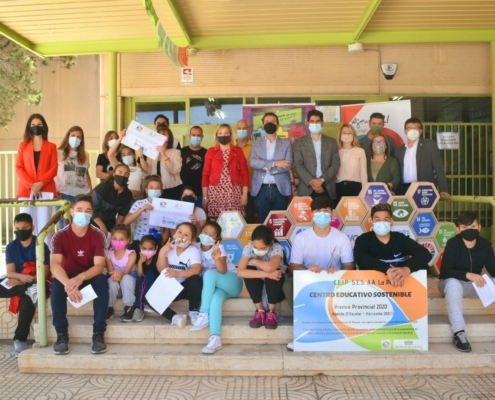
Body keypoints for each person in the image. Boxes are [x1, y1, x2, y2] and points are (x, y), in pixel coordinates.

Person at [49, 194, 109, 355]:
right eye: (80, 210)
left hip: (88, 275)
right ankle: (61, 335)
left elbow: (98, 266)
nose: (84, 213)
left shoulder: (98, 235)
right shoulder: (59, 236)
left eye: (88, 210)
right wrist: (68, 283)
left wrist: (79, 278)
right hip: (67, 276)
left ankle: (98, 333)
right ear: (72, 212)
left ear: (92, 213)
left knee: (102, 282)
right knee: (56, 287)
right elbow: (54, 266)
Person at [283, 196, 355, 310]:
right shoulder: (301, 237)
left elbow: (350, 266)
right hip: (308, 279)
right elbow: (293, 267)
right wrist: (308, 271)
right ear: (312, 214)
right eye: (318, 211)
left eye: (326, 211)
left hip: (333, 279)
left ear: (332, 214)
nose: (322, 214)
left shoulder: (342, 238)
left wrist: (338, 273)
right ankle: (302, 318)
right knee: (288, 284)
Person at [438, 211, 495, 352]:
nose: (469, 230)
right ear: (458, 230)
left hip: (473, 286)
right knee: (453, 283)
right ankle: (459, 333)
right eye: (465, 227)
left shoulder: (485, 245)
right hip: (449, 283)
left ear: (480, 227)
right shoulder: (453, 244)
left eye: (473, 226)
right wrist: (467, 274)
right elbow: (445, 272)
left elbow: (493, 270)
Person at [0, 213, 50, 357]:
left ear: (32, 228)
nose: (20, 231)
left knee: (29, 299)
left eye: (24, 228)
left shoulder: (40, 244)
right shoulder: (11, 246)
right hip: (21, 282)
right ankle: (25, 290)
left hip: (36, 281)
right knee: (29, 292)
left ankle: (20, 340)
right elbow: (10, 272)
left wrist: (24, 281)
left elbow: (45, 273)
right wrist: (21, 279)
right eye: (17, 228)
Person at [190, 221, 242, 354]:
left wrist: (217, 258)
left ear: (217, 239)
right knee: (215, 300)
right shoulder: (194, 247)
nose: (207, 236)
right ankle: (215, 338)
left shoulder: (219, 248)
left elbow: (223, 270)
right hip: (220, 288)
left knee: (209, 274)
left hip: (232, 282)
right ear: (200, 232)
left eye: (212, 235)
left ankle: (203, 313)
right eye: (205, 232)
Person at [354, 203, 431, 286]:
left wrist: (406, 269)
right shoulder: (363, 239)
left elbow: (425, 254)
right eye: (378, 220)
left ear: (391, 222)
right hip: (374, 287)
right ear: (372, 222)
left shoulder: (399, 238)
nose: (382, 223)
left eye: (386, 220)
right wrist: (387, 270)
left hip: (403, 286)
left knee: (423, 265)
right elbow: (360, 258)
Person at [16, 113, 58, 242]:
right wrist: (32, 186)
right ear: (29, 127)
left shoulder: (52, 147)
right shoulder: (23, 146)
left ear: (44, 127)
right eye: (33, 124)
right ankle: (28, 258)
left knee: (44, 225)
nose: (36, 127)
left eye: (39, 124)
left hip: (45, 190)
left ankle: (44, 258)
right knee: (26, 224)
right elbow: (19, 168)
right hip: (25, 190)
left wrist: (40, 183)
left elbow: (53, 168)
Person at [237, 225, 286, 330]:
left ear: (271, 242)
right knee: (249, 270)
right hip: (258, 285)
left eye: (262, 248)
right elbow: (240, 272)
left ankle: (271, 312)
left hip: (277, 288)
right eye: (255, 247)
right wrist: (267, 274)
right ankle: (260, 311)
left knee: (274, 271)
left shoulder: (276, 247)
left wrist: (254, 261)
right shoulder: (248, 247)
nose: (258, 250)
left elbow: (270, 268)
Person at [156, 222, 203, 327]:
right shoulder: (168, 248)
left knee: (196, 279)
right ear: (174, 233)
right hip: (170, 288)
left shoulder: (193, 250)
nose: (181, 236)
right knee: (148, 298)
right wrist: (162, 252)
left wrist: (178, 273)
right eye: (180, 232)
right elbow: (161, 270)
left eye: (186, 234)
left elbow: (196, 269)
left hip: (185, 288)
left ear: (192, 239)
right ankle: (175, 317)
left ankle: (194, 311)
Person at [250, 113, 293, 224]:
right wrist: (275, 163)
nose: (269, 123)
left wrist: (263, 165)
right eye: (267, 121)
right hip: (261, 189)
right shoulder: (256, 144)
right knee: (263, 222)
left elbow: (288, 165)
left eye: (273, 121)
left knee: (279, 222)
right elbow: (253, 163)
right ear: (263, 125)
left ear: (278, 125)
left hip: (280, 189)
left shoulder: (286, 143)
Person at [202, 124, 249, 218]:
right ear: (217, 135)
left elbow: (244, 173)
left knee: (235, 220)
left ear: (230, 135)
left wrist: (244, 195)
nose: (223, 135)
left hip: (233, 191)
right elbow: (205, 175)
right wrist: (205, 197)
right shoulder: (211, 151)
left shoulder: (238, 151)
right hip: (215, 191)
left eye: (226, 133)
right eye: (220, 133)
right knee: (217, 222)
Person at [396, 117, 449, 196]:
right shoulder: (399, 150)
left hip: (424, 188)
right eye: (410, 128)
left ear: (421, 131)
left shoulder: (429, 145)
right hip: (404, 188)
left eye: (416, 128)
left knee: (424, 209)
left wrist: (444, 189)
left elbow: (439, 168)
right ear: (405, 131)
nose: (412, 131)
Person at [294, 110, 340, 200]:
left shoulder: (332, 142)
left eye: (318, 121)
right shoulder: (299, 142)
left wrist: (321, 180)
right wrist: (312, 182)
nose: (315, 124)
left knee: (327, 213)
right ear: (307, 123)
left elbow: (335, 164)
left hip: (327, 188)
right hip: (307, 188)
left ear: (322, 123)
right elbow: (298, 164)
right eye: (312, 121)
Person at [55, 126, 92, 227]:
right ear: (68, 136)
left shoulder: (86, 155)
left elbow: (86, 173)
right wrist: (54, 190)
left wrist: (90, 190)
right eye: (73, 135)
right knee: (64, 225)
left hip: (81, 195)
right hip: (63, 193)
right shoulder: (57, 152)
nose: (76, 138)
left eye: (79, 137)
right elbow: (52, 172)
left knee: (80, 225)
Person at [105, 225, 137, 322]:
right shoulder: (108, 254)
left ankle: (129, 306)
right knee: (111, 280)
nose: (118, 242)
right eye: (115, 239)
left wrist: (119, 273)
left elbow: (127, 271)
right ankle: (109, 307)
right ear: (111, 240)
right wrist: (115, 276)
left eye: (121, 239)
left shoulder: (131, 254)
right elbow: (111, 272)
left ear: (127, 241)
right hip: (117, 285)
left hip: (129, 286)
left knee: (126, 278)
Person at [125, 175, 164, 252]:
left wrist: (161, 242)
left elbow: (168, 228)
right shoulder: (139, 203)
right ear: (146, 190)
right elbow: (126, 221)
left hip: (156, 242)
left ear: (161, 190)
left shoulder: (165, 205)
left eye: (157, 188)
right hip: (139, 240)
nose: (154, 190)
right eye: (151, 188)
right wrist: (141, 210)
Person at [92, 163, 133, 236]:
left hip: (111, 223)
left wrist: (116, 230)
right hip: (94, 221)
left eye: (126, 174)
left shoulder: (128, 194)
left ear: (128, 176)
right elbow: (93, 209)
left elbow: (122, 214)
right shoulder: (102, 189)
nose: (122, 176)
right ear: (114, 174)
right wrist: (102, 226)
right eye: (120, 172)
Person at [127, 234, 160, 322]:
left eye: (150, 249)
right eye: (144, 248)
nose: (147, 251)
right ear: (140, 247)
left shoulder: (157, 258)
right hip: (143, 285)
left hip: (155, 285)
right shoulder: (139, 257)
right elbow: (139, 275)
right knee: (140, 279)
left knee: (149, 273)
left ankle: (142, 305)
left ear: (155, 248)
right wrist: (140, 262)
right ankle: (140, 307)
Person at [146, 125, 182, 200]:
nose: (161, 136)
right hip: (155, 190)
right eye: (159, 134)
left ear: (169, 137)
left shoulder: (176, 152)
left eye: (164, 134)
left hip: (171, 189)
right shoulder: (152, 152)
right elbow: (147, 171)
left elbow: (175, 170)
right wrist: (141, 157)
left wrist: (163, 154)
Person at [107, 129, 146, 199]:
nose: (126, 156)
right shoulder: (118, 166)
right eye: (123, 155)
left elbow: (143, 187)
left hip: (135, 200)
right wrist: (120, 138)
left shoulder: (140, 169)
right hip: (121, 200)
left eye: (129, 154)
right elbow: (110, 154)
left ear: (134, 155)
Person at [335, 124, 367, 204]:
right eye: (344, 133)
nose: (346, 135)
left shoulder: (360, 151)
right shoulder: (335, 152)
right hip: (339, 187)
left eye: (349, 133)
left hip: (355, 187)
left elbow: (363, 174)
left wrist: (364, 192)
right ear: (340, 135)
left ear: (353, 136)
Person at [180, 126, 207, 205]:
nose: (196, 137)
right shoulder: (181, 152)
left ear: (202, 137)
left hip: (200, 194)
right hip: (184, 194)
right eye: (194, 135)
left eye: (198, 135)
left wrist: (206, 197)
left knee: (200, 216)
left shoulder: (207, 153)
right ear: (189, 136)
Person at [235, 119, 256, 223]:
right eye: (239, 128)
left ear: (248, 130)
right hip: (234, 190)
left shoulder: (255, 146)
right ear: (235, 130)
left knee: (249, 218)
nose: (242, 130)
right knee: (236, 219)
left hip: (251, 189)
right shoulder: (230, 147)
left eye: (244, 128)